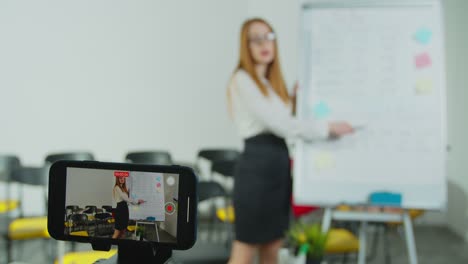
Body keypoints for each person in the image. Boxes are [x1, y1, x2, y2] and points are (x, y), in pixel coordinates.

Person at [226, 18, 354, 264]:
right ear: (246, 45)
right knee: (244, 249)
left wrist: (295, 100)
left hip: (277, 170)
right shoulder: (242, 79)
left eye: (269, 36)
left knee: (273, 247)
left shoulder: (270, 85)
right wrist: (328, 128)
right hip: (256, 170)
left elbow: (283, 118)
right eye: (257, 38)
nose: (265, 43)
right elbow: (282, 124)